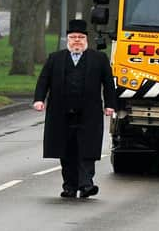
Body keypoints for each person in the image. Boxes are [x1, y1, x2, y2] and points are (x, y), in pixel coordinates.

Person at [33, 19, 116, 199]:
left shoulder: (99, 59)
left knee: (87, 150)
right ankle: (69, 186)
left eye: (80, 37)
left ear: (86, 39)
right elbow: (43, 80)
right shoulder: (55, 58)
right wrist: (39, 100)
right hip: (61, 114)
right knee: (66, 150)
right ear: (67, 39)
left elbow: (109, 83)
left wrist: (110, 104)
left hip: (89, 114)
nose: (77, 40)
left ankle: (86, 185)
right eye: (73, 37)